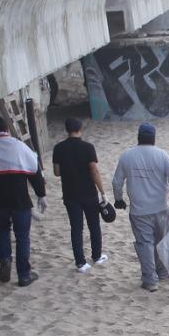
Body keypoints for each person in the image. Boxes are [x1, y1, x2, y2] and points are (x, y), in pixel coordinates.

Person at [0, 115, 47, 287]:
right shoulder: (20, 147)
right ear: (7, 129)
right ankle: (24, 275)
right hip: (20, 201)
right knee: (22, 236)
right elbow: (34, 172)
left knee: (2, 231)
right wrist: (41, 195)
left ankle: (5, 260)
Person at [110, 122, 169, 292]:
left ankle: (150, 280)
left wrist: (118, 199)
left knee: (145, 243)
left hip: (139, 210)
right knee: (161, 241)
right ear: (154, 138)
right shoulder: (163, 155)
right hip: (161, 208)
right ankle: (162, 273)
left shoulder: (127, 156)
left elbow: (117, 182)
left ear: (138, 137)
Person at [51, 117, 107, 273]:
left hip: (69, 193)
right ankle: (96, 256)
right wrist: (102, 191)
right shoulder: (88, 147)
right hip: (88, 193)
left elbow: (56, 172)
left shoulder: (58, 148)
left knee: (76, 228)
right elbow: (94, 170)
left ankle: (80, 262)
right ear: (80, 129)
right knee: (94, 225)